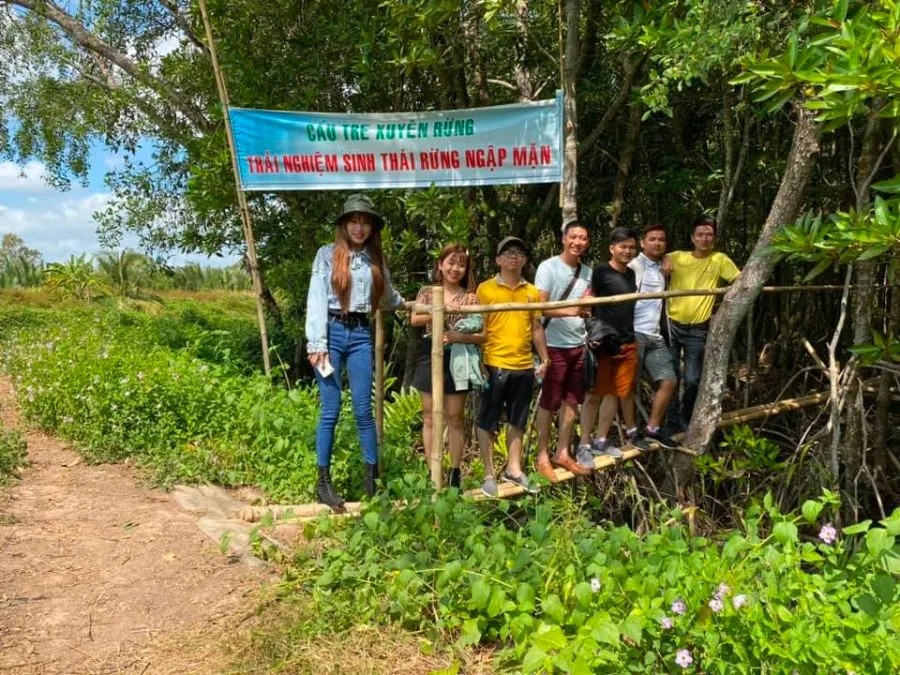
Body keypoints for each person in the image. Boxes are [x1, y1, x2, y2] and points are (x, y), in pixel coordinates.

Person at [305, 194, 404, 512]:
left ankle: (371, 482)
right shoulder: (327, 255)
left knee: (364, 410)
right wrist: (317, 343)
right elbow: (316, 298)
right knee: (330, 410)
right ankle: (323, 482)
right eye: (353, 220)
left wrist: (422, 301)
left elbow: (389, 298)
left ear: (372, 227)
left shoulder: (376, 261)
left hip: (362, 334)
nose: (359, 227)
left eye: (365, 221)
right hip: (331, 333)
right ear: (344, 224)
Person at [476, 236, 549, 497]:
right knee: (488, 421)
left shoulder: (531, 292)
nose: (513, 257)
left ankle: (514, 469)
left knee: (517, 419)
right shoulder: (485, 289)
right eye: (507, 253)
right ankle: (488, 474)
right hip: (494, 363)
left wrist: (544, 358)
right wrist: (479, 362)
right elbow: (477, 328)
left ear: (525, 260)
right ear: (497, 259)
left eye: (518, 252)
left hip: (524, 365)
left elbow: (537, 327)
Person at [410, 244, 483, 489]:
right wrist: (438, 311)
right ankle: (433, 472)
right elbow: (415, 319)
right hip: (429, 355)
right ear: (440, 265)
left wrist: (455, 336)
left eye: (461, 264)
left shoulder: (470, 297)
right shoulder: (428, 292)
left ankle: (453, 472)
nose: (455, 268)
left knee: (455, 417)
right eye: (451, 262)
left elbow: (482, 333)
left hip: (457, 358)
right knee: (430, 417)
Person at [665, 215, 740, 432]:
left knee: (692, 379)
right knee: (670, 377)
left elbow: (739, 279)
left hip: (697, 330)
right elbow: (656, 257)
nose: (704, 239)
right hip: (671, 325)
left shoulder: (719, 260)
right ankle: (671, 421)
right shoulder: (677, 257)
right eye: (700, 234)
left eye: (709, 235)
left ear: (714, 238)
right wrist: (665, 261)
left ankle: (686, 418)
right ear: (692, 238)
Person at [533, 221, 593, 481]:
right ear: (563, 239)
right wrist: (572, 309)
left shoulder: (588, 272)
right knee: (549, 403)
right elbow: (540, 308)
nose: (577, 242)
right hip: (553, 345)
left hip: (578, 344)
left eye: (583, 238)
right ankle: (542, 456)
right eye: (573, 237)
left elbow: (588, 305)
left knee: (572, 401)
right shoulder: (548, 267)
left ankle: (563, 452)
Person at [578, 227, 643, 461]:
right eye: (622, 246)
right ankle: (584, 444)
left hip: (627, 342)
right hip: (605, 344)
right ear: (611, 248)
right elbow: (587, 301)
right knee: (594, 394)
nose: (627, 251)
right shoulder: (600, 271)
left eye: (631, 247)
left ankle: (601, 440)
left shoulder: (630, 274)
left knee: (616, 393)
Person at [624, 224, 678, 448]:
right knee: (627, 385)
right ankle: (631, 431)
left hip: (655, 335)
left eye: (661, 239)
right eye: (652, 239)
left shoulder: (663, 266)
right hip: (634, 332)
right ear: (643, 243)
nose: (657, 243)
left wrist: (666, 259)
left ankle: (652, 428)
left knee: (669, 380)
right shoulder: (633, 265)